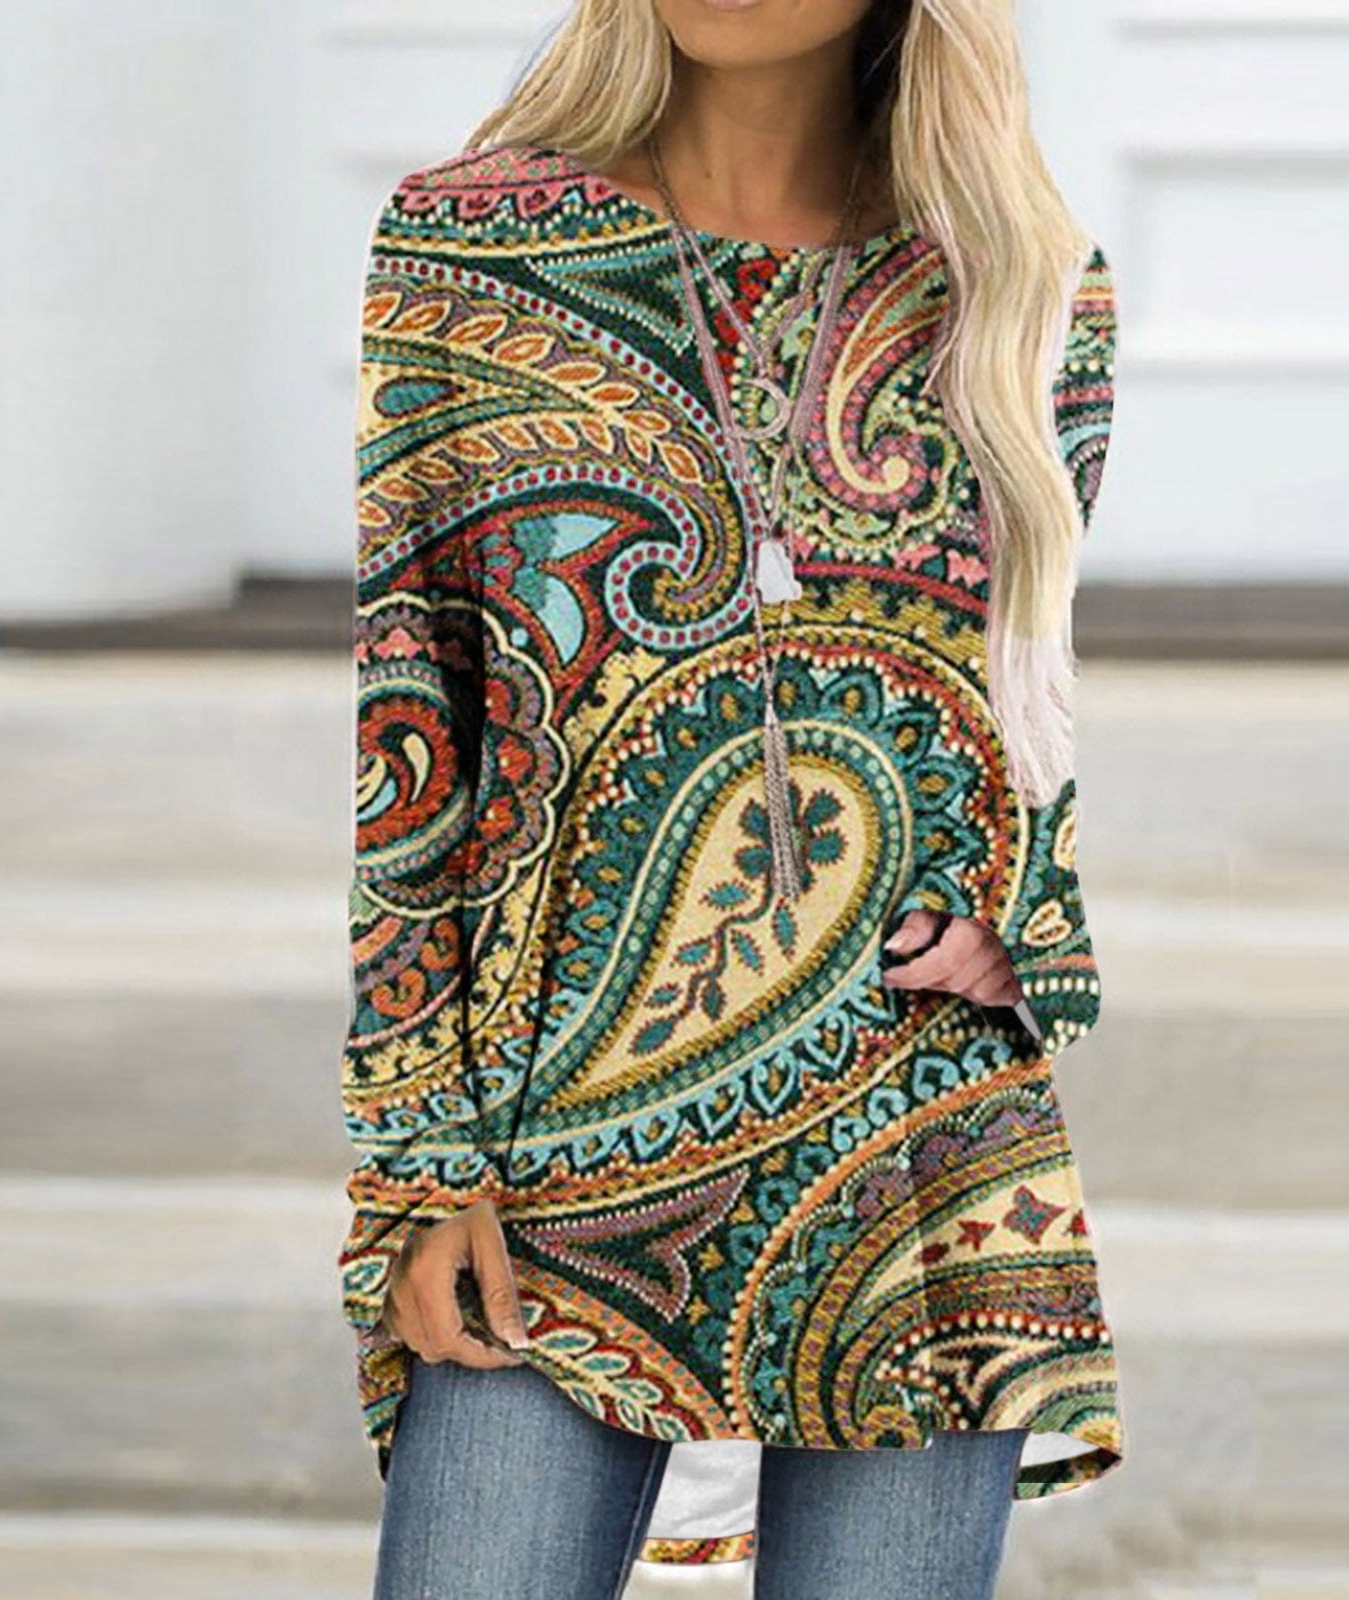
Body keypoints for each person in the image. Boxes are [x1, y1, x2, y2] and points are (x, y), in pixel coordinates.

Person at [338, 1, 1123, 1596]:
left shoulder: (1026, 288)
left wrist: (1017, 931)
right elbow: (417, 735)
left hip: (909, 1146)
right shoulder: (470, 249)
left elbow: (1017, 721)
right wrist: (417, 1161)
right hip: (556, 1143)